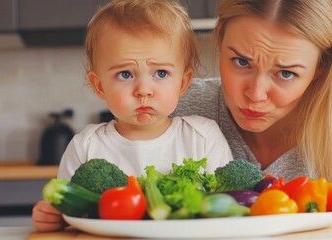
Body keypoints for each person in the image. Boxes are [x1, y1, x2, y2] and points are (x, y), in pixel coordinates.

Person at [173, 0, 332, 218]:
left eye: (286, 73)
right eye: (241, 62)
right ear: (219, 36)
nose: (256, 94)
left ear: (323, 66)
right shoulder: (172, 108)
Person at [32, 0, 233, 232]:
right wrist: (53, 217)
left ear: (183, 83)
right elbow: (69, 212)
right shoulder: (85, 145)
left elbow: (228, 207)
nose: (143, 90)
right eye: (125, 74)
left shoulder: (204, 137)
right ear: (99, 86)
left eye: (161, 73)